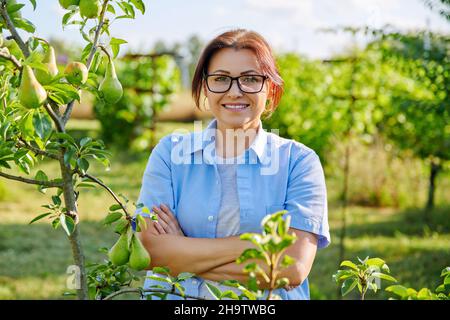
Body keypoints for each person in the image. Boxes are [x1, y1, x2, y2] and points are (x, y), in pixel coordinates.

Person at [135, 29, 330, 300]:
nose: (235, 91)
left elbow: (293, 268)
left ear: (270, 87)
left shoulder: (299, 162)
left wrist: (182, 250)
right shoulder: (170, 154)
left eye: (250, 79)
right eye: (221, 79)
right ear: (205, 87)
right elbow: (150, 252)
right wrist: (259, 247)